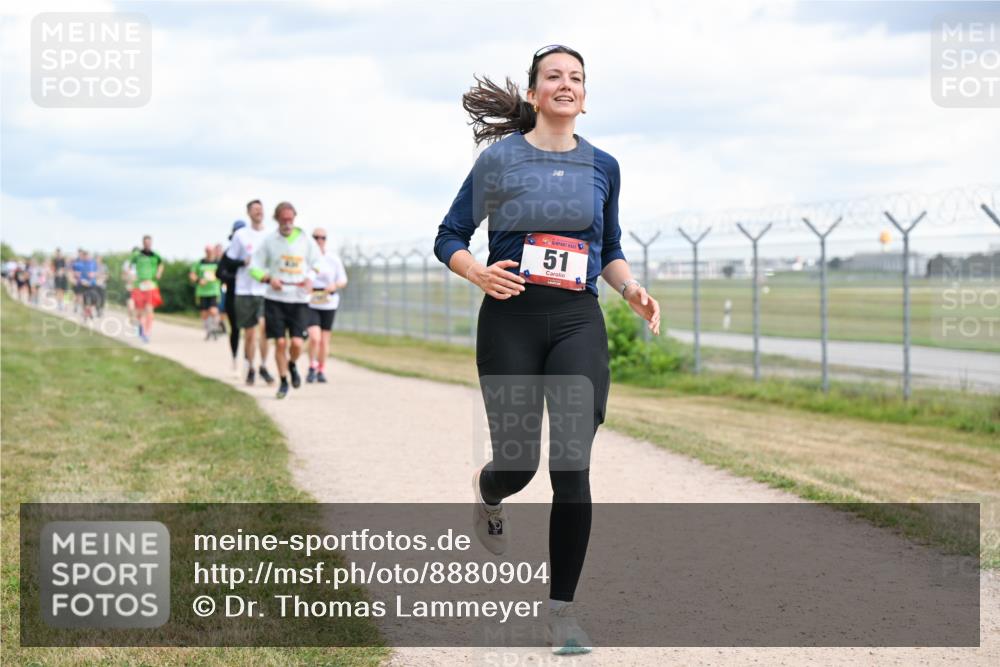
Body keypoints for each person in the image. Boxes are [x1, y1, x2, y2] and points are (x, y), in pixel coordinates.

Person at [434, 44, 660, 655]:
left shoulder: (604, 166)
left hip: (576, 321)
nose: (566, 85)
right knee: (518, 464)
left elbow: (607, 246)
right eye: (553, 77)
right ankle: (490, 492)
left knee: (571, 466)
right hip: (510, 319)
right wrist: (477, 272)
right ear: (534, 94)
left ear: (584, 96)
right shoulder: (500, 159)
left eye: (576, 78)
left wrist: (631, 287)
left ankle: (562, 612)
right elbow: (448, 236)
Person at [248, 201, 322, 399]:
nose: (288, 223)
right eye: (284, 220)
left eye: (291, 219)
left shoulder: (305, 239)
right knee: (280, 343)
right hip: (275, 299)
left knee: (296, 343)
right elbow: (254, 267)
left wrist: (310, 278)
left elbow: (317, 262)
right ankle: (282, 381)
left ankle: (292, 364)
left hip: (298, 300)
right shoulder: (269, 241)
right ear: (277, 219)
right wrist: (268, 278)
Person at [226, 201, 276, 386]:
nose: (259, 212)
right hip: (245, 290)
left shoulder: (271, 235)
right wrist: (242, 263)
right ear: (248, 213)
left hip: (265, 290)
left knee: (264, 329)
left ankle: (263, 366)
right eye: (255, 210)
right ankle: (250, 367)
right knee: (249, 334)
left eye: (261, 209)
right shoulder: (240, 235)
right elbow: (229, 262)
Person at [305, 228, 348, 383]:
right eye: (316, 237)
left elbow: (343, 280)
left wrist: (334, 285)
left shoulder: (333, 259)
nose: (319, 240)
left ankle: (321, 369)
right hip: (311, 301)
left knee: (324, 340)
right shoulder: (307, 258)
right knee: (314, 338)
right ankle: (311, 366)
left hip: (328, 302)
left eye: (322, 237)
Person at [217, 221, 246, 373]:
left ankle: (249, 364)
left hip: (249, 297)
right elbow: (219, 273)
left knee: (251, 330)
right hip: (232, 296)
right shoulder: (228, 254)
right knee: (235, 329)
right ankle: (235, 359)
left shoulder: (254, 254)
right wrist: (236, 274)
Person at [129, 236, 164, 343]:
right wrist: (132, 275)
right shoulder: (137, 255)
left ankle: (146, 332)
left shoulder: (156, 254)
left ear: (151, 243)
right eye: (146, 243)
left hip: (151, 284)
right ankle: (140, 327)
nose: (147, 244)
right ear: (143, 243)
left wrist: (159, 272)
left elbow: (161, 264)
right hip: (139, 285)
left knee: (149, 309)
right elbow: (130, 267)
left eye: (149, 242)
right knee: (139, 311)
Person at [190, 244, 222, 340]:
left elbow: (224, 273)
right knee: (204, 314)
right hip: (202, 292)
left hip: (214, 291)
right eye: (207, 251)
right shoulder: (199, 263)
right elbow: (192, 274)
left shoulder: (218, 263)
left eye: (210, 251)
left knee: (213, 311)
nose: (209, 252)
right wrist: (199, 280)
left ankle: (215, 328)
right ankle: (209, 331)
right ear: (205, 252)